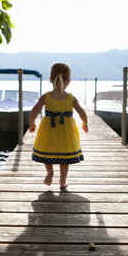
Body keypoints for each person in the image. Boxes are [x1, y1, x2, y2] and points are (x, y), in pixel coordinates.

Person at [29, 62, 88, 190]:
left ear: (50, 79)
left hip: (49, 129)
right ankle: (62, 182)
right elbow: (82, 112)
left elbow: (34, 110)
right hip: (66, 132)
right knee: (64, 158)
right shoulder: (71, 98)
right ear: (69, 81)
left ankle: (50, 171)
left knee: (47, 152)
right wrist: (85, 123)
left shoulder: (46, 97)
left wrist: (32, 123)